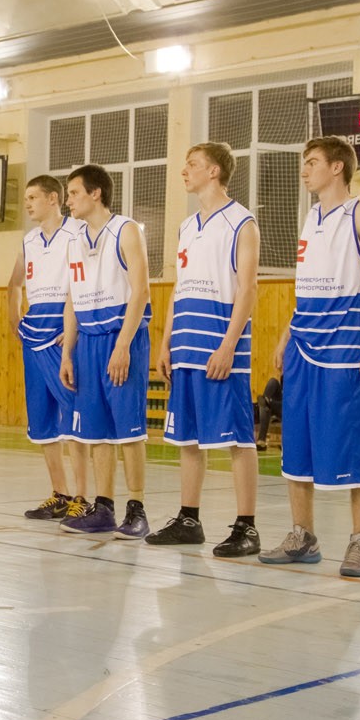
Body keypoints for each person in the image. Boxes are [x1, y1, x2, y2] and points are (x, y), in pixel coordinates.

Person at [261, 136, 360, 578]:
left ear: (337, 167)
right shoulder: (311, 217)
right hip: (303, 343)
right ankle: (303, 535)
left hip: (346, 345)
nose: (304, 169)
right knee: (296, 443)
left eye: (312, 162)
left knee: (352, 443)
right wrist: (286, 335)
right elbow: (307, 286)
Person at [149, 142, 262, 557]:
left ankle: (247, 527)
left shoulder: (241, 222)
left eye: (192, 164)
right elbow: (180, 288)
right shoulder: (187, 226)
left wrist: (229, 345)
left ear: (214, 171)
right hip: (185, 345)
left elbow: (248, 289)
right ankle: (189, 520)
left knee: (238, 439)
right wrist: (166, 342)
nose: (185, 171)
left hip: (220, 347)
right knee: (188, 439)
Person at [57, 165, 153, 537]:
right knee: (95, 431)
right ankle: (104, 508)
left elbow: (141, 291)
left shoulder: (125, 230)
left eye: (74, 193)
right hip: (87, 342)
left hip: (120, 337)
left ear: (95, 193)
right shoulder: (74, 240)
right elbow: (71, 299)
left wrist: (124, 344)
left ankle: (137, 509)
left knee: (128, 430)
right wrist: (68, 352)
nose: (68, 201)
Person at [7, 175, 89, 521]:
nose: (27, 204)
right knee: (42, 424)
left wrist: (76, 327)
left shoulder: (78, 232)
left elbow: (89, 279)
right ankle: (61, 493)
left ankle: (83, 498)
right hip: (33, 333)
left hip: (61, 331)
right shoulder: (28, 240)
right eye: (26, 198)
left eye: (33, 197)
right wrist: (15, 321)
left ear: (53, 198)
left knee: (75, 420)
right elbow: (14, 284)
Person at [256, 375, 282, 451]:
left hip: (289, 408)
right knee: (273, 381)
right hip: (280, 404)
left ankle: (268, 402)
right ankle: (261, 441)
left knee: (265, 403)